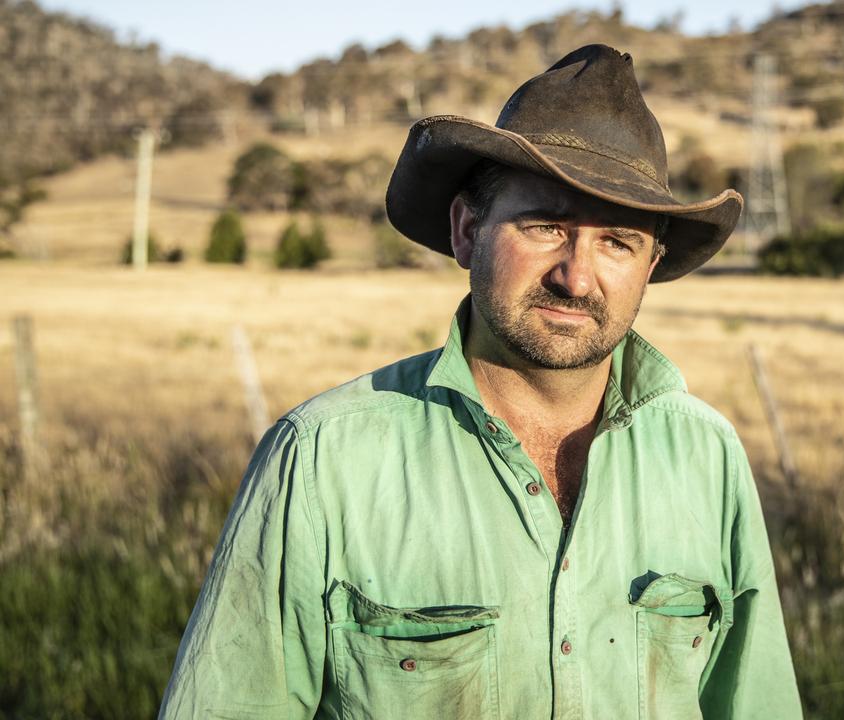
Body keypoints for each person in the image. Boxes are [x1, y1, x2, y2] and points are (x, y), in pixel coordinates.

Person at [160, 44, 802, 719]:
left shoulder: (706, 456)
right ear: (468, 231)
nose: (576, 277)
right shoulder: (321, 461)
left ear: (650, 265)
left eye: (617, 241)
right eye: (545, 225)